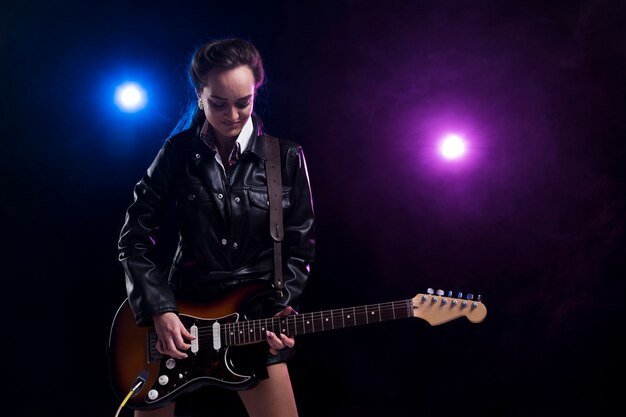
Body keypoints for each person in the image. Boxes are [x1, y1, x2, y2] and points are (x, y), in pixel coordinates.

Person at [117, 38, 315, 417]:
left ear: (256, 91)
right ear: (199, 95)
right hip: (179, 324)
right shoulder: (176, 154)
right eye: (218, 103)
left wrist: (280, 309)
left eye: (244, 101)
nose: (233, 114)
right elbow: (134, 239)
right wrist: (160, 310)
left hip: (254, 320)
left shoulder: (285, 157)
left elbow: (300, 247)